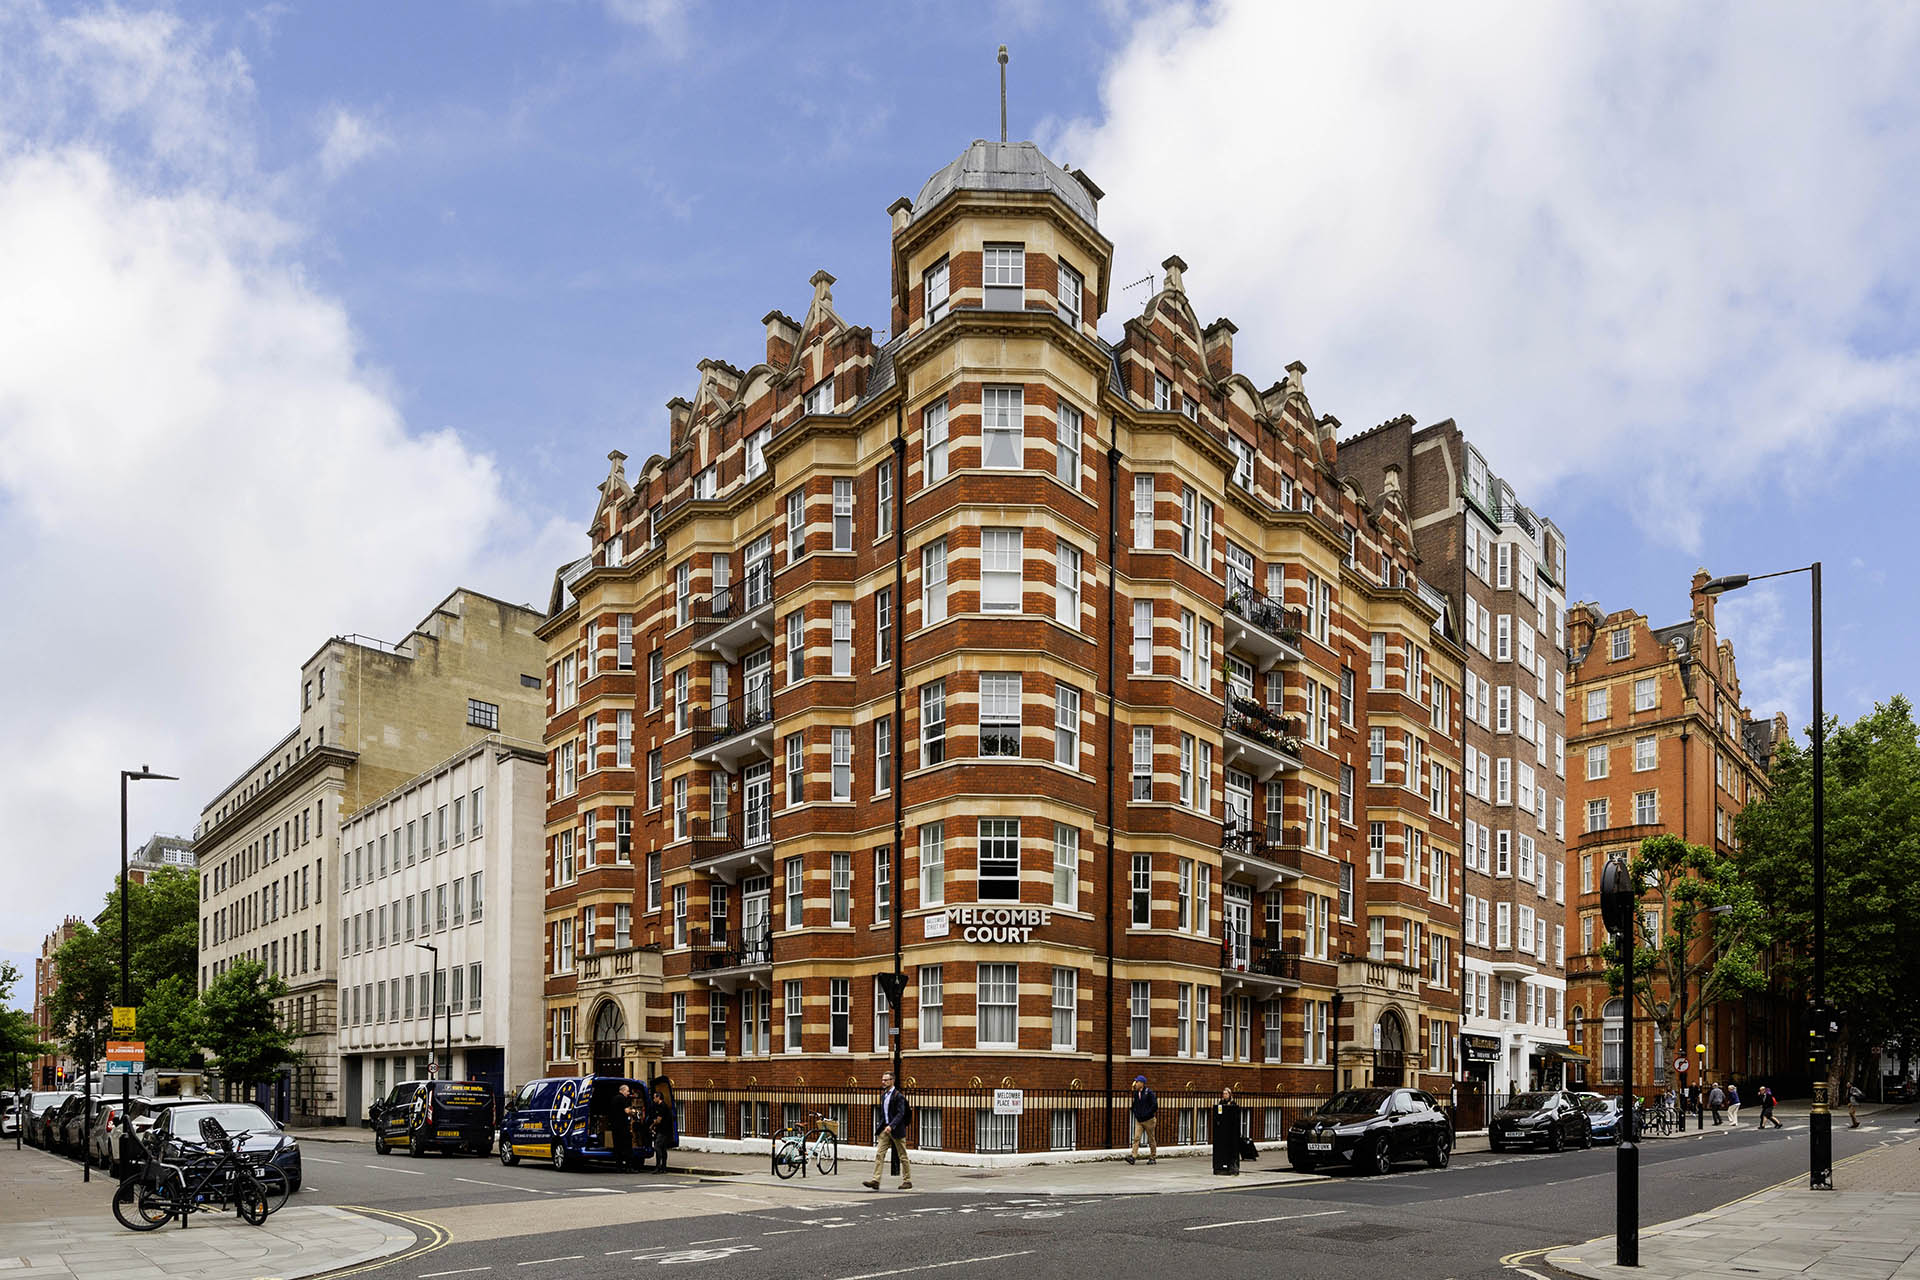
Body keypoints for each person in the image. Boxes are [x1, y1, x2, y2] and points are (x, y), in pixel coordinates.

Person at [862, 1071, 914, 1192]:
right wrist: (883, 1126)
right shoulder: (884, 1095)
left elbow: (901, 1113)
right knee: (879, 1154)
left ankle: (907, 1181)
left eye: (886, 1080)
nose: (883, 1082)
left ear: (892, 1081)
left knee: (903, 1156)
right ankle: (876, 1180)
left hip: (896, 1130)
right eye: (882, 1080)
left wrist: (891, 1125)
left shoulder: (898, 1096)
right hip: (885, 1130)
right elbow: (884, 1113)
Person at [1124, 1075, 1158, 1166]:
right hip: (1139, 1120)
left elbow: (1154, 1105)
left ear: (1142, 1083)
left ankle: (1153, 1157)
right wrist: (1136, 1113)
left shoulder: (1149, 1093)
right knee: (1136, 1138)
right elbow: (1134, 1105)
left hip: (1149, 1120)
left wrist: (1147, 1114)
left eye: (1137, 1082)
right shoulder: (1136, 1093)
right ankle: (1133, 1156)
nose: (1135, 1084)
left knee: (1151, 1139)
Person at [1211, 1087, 1242, 1175]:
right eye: (1223, 1094)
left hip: (1231, 1132)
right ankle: (1220, 1168)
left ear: (1229, 1094)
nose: (1224, 1095)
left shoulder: (1233, 1104)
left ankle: (1232, 1168)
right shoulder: (1220, 1103)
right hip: (1222, 1131)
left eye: (1226, 1094)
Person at [648, 1086, 677, 1172]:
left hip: (663, 1131)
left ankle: (658, 1166)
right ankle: (663, 1167)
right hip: (663, 1130)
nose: (653, 1099)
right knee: (663, 1148)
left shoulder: (662, 1106)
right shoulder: (659, 1106)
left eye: (654, 1097)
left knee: (657, 1147)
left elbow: (659, 1120)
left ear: (658, 1097)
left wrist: (652, 1125)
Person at [611, 1084, 636, 1169]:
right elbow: (626, 1111)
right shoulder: (622, 1098)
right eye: (627, 1091)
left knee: (617, 1147)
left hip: (615, 1126)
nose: (628, 1093)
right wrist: (633, 1111)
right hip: (623, 1126)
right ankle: (629, 1167)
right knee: (627, 1146)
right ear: (623, 1090)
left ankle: (619, 1166)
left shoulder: (614, 1098)